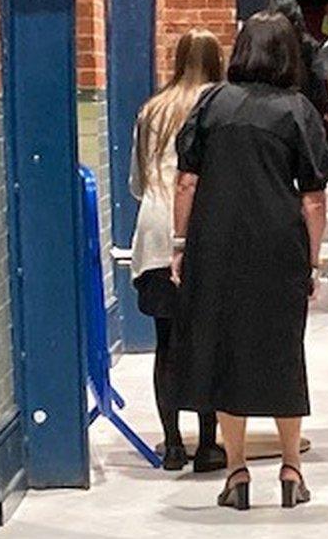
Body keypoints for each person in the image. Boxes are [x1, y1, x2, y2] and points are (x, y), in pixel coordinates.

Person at [170, 11, 328, 510]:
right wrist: (310, 262)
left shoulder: (212, 102)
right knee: (282, 351)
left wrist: (180, 245)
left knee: (224, 354)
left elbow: (187, 180)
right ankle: (290, 469)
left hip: (216, 244)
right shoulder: (297, 110)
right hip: (277, 245)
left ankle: (236, 472)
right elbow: (313, 199)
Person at [128, 28, 226, 473]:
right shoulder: (220, 105)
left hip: (152, 231)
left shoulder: (152, 109)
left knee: (165, 344)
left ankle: (171, 446)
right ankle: (208, 445)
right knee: (207, 343)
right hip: (202, 233)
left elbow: (137, 182)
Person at [271, 0, 328, 122]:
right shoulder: (309, 45)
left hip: (274, 107)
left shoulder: (267, 44)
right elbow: (319, 81)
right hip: (305, 109)